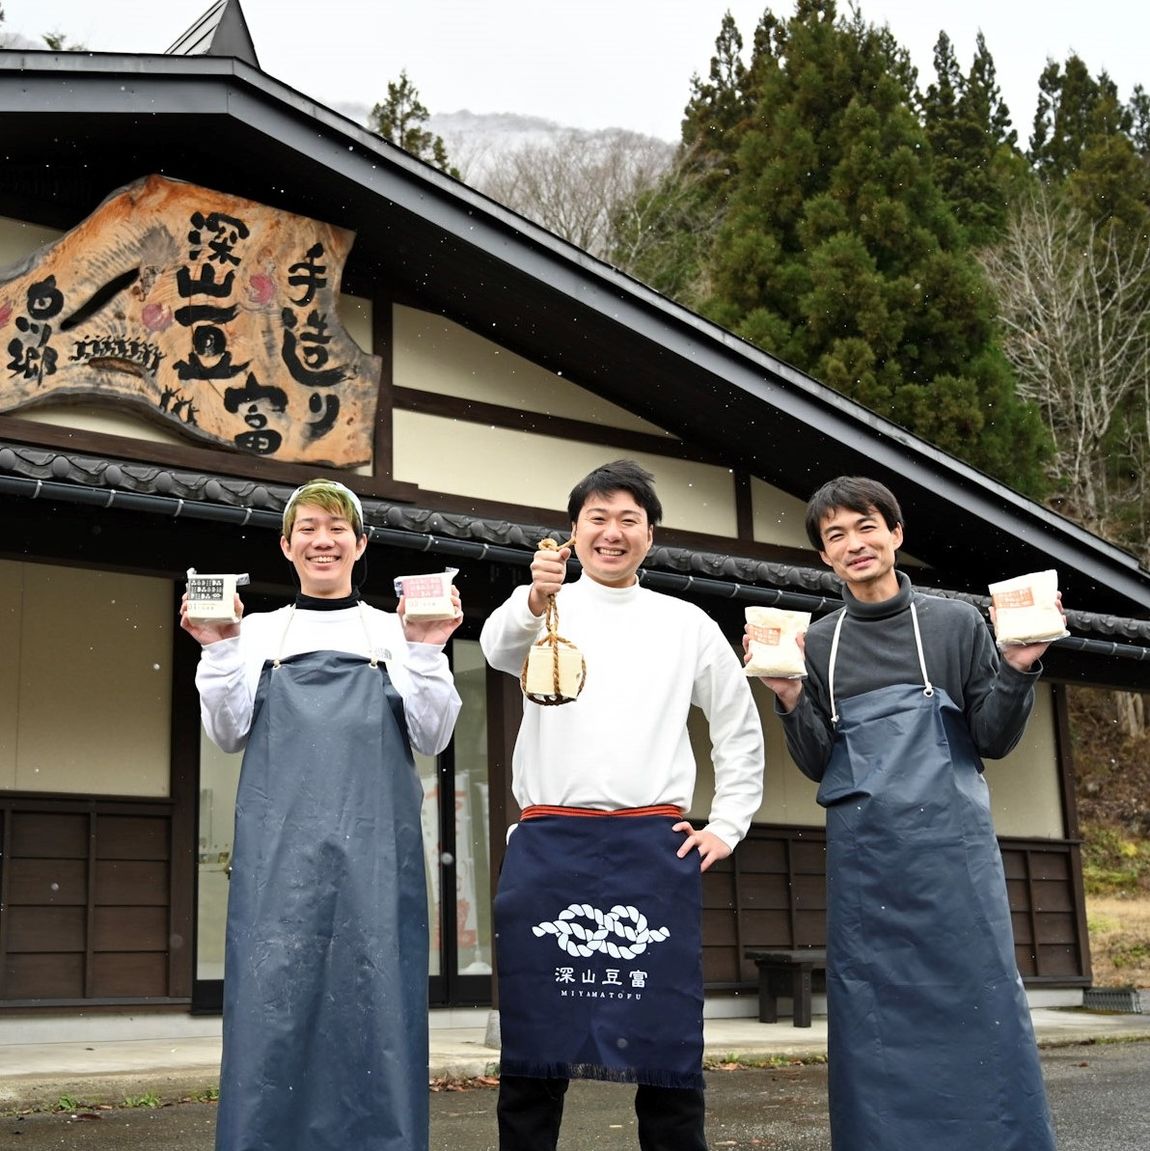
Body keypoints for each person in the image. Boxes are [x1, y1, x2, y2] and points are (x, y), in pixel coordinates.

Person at [748, 475, 1059, 1151]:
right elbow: (816, 761)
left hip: (955, 863)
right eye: (835, 535)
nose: (854, 543)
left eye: (866, 526)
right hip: (869, 873)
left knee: (983, 1011)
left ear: (896, 534)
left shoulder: (953, 623)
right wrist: (790, 699)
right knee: (875, 1026)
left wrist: (1018, 668)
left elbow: (993, 740)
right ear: (824, 557)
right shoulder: (817, 644)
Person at [480, 459, 765, 1151]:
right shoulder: (543, 609)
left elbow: (737, 723)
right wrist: (533, 600)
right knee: (534, 1045)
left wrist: (727, 822)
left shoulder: (684, 621)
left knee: (666, 1048)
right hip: (550, 842)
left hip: (651, 844)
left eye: (627, 520)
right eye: (597, 519)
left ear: (650, 534)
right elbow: (494, 649)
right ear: (572, 533)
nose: (612, 533)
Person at [179, 479, 463, 1151]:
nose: (322, 539)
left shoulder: (396, 629)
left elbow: (433, 734)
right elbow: (225, 731)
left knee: (375, 1008)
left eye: (337, 528)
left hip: (374, 857)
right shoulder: (256, 632)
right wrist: (216, 648)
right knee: (272, 1007)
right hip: (278, 861)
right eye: (307, 527)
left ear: (360, 544)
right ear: (286, 545)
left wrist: (426, 649)